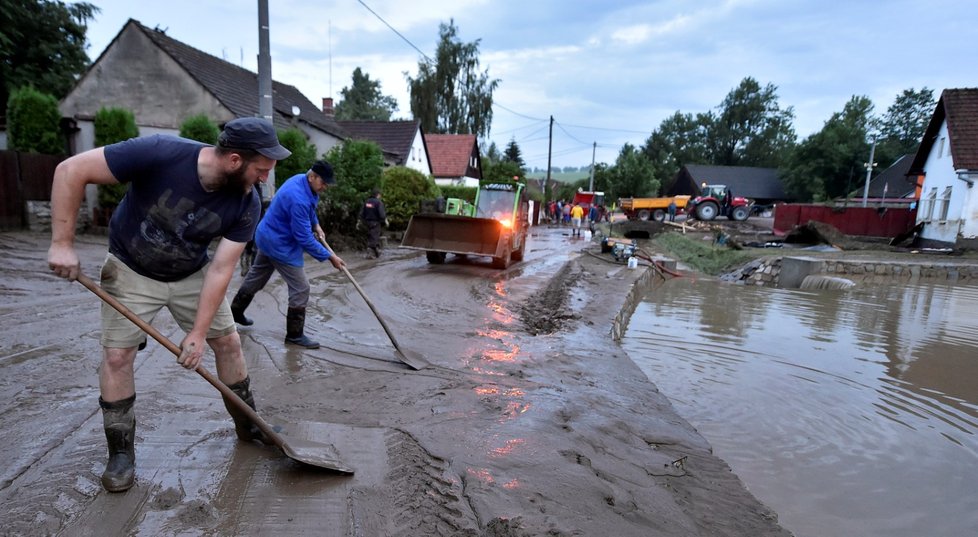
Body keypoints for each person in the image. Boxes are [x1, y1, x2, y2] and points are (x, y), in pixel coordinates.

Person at [47, 117, 291, 493]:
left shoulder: (247, 204)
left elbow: (221, 269)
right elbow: (70, 170)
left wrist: (196, 334)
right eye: (261, 170)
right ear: (234, 160)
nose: (264, 179)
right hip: (131, 267)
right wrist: (62, 243)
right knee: (117, 356)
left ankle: (248, 423)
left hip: (191, 273)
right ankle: (121, 453)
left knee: (227, 342)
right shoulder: (160, 153)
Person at [230, 160, 346, 349]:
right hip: (280, 245)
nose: (325, 187)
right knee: (301, 288)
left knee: (256, 276)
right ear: (312, 177)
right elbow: (304, 238)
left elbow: (310, 209)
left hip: (266, 236)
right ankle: (294, 335)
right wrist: (329, 256)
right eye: (323, 182)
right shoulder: (298, 198)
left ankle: (235, 311)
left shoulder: (300, 179)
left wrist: (315, 224)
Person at [360, 188, 387, 258]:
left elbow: (362, 213)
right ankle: (370, 253)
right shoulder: (378, 202)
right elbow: (382, 214)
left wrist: (362, 221)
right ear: (378, 195)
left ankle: (377, 252)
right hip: (375, 223)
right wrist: (384, 221)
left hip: (367, 223)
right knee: (374, 238)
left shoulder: (367, 202)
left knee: (371, 237)